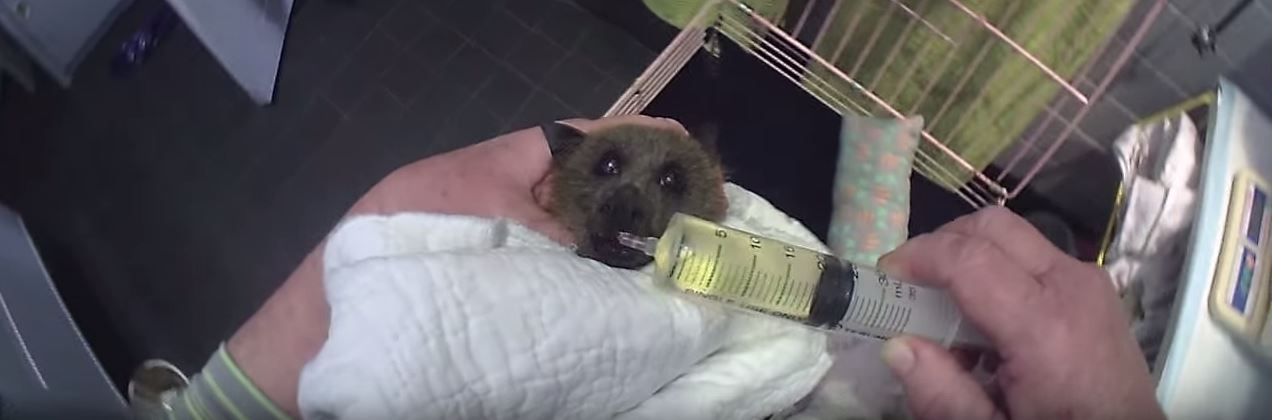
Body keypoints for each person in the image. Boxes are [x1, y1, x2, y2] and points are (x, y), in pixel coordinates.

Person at [170, 116, 1166, 420]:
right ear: (558, 178)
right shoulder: (532, 229)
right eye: (605, 167)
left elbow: (819, 284)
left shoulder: (736, 234)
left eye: (669, 182)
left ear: (716, 199)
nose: (636, 198)